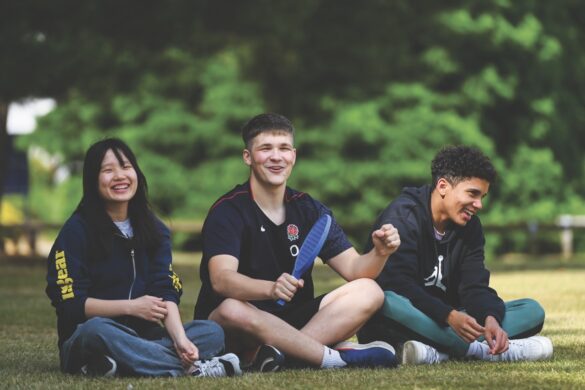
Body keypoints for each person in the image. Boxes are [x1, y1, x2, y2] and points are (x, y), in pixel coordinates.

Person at [193, 113, 401, 371]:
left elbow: (356, 270)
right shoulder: (228, 211)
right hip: (240, 326)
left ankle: (278, 356)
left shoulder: (310, 210)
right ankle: (330, 358)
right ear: (248, 156)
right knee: (231, 309)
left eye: (283, 148)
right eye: (265, 148)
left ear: (294, 155)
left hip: (294, 321)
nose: (276, 157)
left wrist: (380, 253)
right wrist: (270, 289)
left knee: (370, 291)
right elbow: (221, 280)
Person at [46, 138, 241, 377]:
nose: (120, 176)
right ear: (93, 180)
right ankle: (194, 368)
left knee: (211, 332)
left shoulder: (155, 230)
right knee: (96, 330)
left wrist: (181, 341)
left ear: (136, 173)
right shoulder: (76, 231)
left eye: (126, 167)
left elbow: (165, 290)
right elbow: (70, 304)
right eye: (108, 170)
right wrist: (132, 307)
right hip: (88, 337)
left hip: (144, 336)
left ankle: (116, 365)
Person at [358, 145, 553, 365]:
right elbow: (399, 285)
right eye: (473, 193)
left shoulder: (471, 227)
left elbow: (474, 286)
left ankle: (436, 351)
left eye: (483, 196)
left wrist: (491, 319)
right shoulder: (404, 215)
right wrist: (448, 316)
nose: (478, 204)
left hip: (447, 321)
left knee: (531, 310)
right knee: (387, 300)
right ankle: (477, 351)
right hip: (404, 318)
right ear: (443, 186)